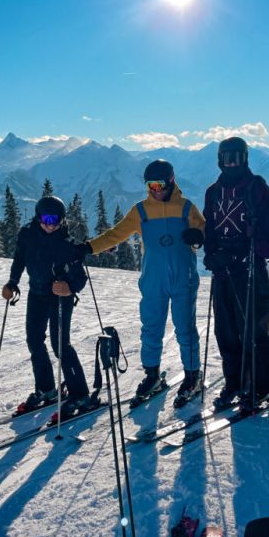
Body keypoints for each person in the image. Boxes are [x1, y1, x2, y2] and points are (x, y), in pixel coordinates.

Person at [75, 159, 205, 406]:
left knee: (185, 329)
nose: (155, 191)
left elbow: (204, 230)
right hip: (153, 280)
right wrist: (89, 247)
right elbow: (116, 234)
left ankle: (192, 376)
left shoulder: (187, 208)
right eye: (150, 186)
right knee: (151, 328)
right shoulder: (141, 211)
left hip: (184, 279)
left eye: (159, 185)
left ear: (171, 182)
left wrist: (199, 235)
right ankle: (152, 375)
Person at [203, 137, 269, 411]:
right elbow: (209, 226)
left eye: (237, 157)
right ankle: (234, 382)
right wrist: (211, 254)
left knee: (253, 330)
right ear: (220, 160)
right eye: (227, 158)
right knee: (226, 331)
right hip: (223, 269)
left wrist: (255, 242)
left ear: (245, 158)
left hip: (249, 268)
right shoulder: (213, 192)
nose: (232, 163)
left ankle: (262, 384)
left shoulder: (256, 187)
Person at [2, 196, 93, 417]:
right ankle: (47, 389)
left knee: (60, 344)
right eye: (46, 219)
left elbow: (81, 277)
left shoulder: (67, 244)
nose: (51, 225)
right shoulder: (27, 235)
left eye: (56, 220)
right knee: (34, 340)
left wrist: (69, 288)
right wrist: (13, 282)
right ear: (38, 217)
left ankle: (80, 393)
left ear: (63, 220)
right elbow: (19, 259)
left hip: (60, 298)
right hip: (36, 294)